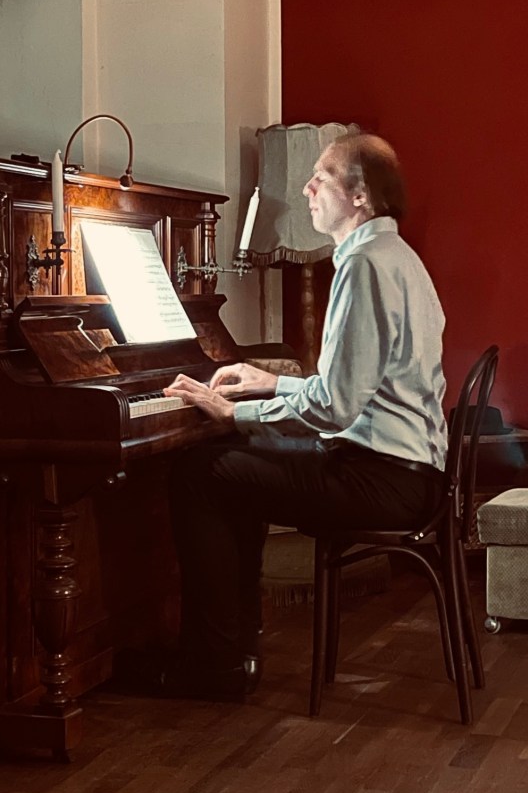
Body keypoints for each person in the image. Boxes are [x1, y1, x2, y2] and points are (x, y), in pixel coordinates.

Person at [150, 133, 449, 699]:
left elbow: (336, 406)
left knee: (202, 473)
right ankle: (233, 650)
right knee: (230, 461)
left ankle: (215, 663)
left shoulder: (364, 265)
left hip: (383, 480)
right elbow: (358, 388)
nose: (307, 189)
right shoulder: (396, 256)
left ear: (359, 195)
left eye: (322, 176)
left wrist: (235, 414)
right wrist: (271, 383)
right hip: (408, 472)